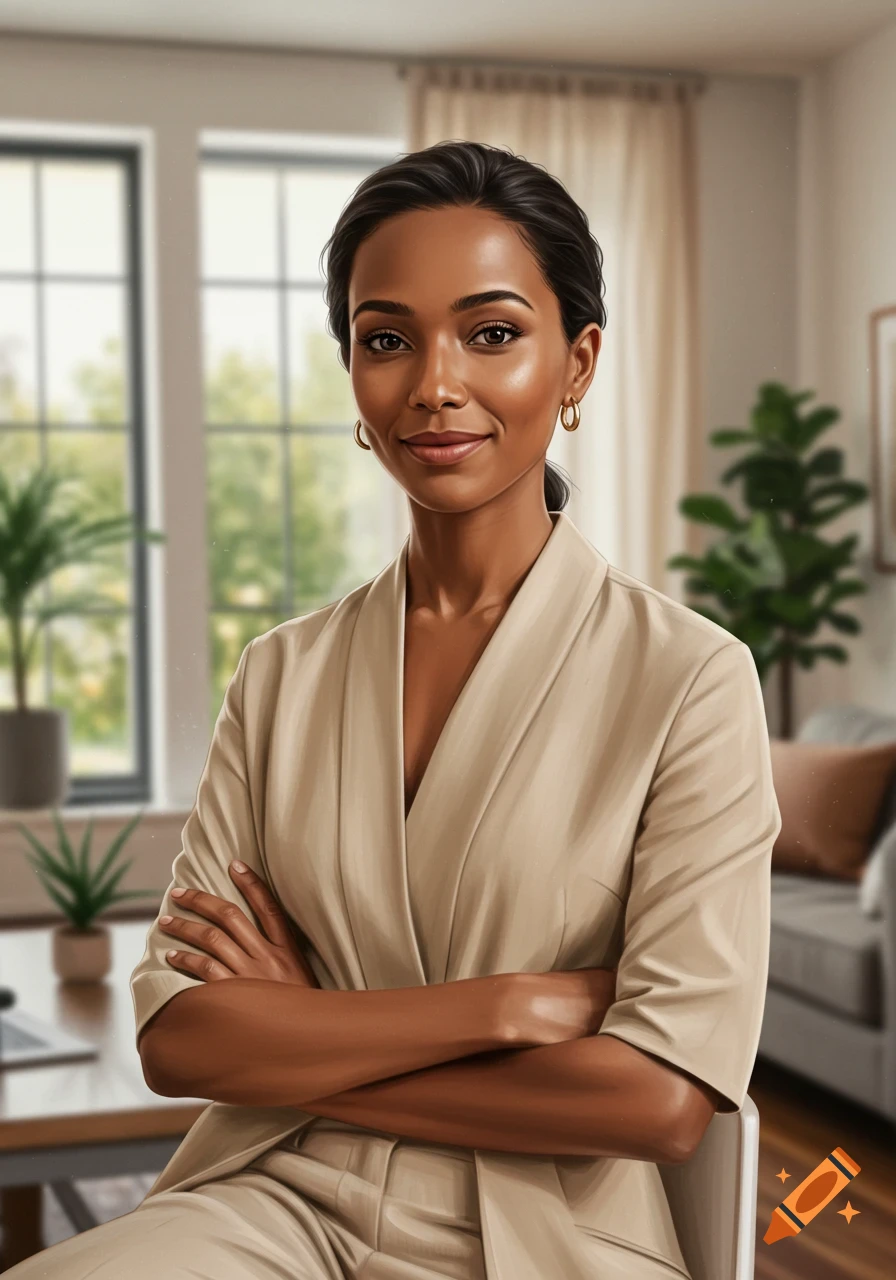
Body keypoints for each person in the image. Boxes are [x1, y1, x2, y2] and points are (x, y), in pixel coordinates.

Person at [7, 140, 780, 1280]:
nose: (433, 382)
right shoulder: (280, 674)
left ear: (577, 363)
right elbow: (182, 1037)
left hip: (543, 1235)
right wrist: (508, 1004)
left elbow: (656, 1099)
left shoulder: (689, 678)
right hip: (275, 1192)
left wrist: (307, 1026)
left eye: (492, 331)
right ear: (354, 380)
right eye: (385, 338)